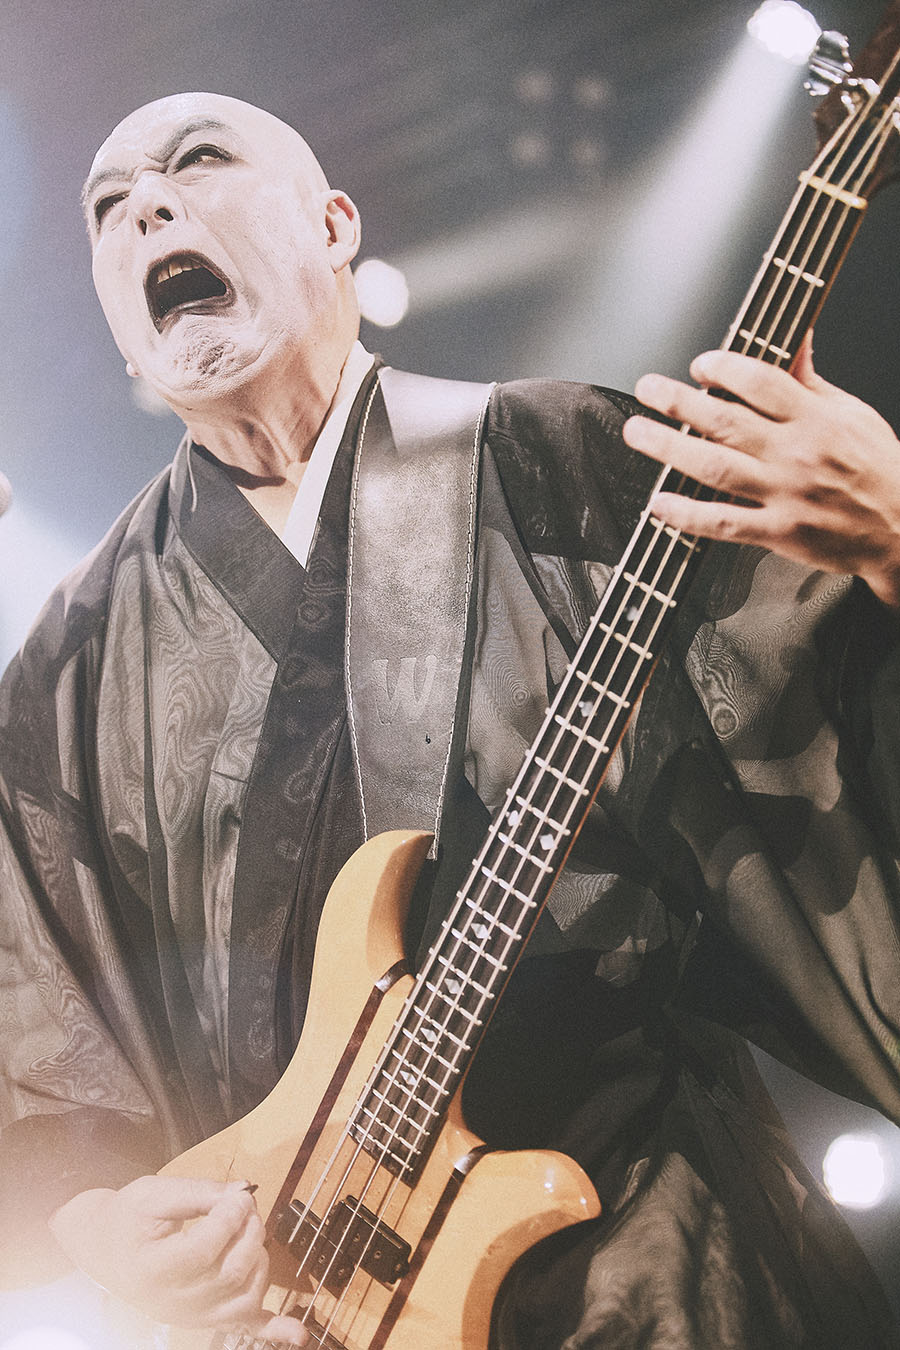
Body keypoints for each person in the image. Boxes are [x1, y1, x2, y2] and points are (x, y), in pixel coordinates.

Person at [1, 89, 900, 1348]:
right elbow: (37, 1038)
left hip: (655, 1270)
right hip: (310, 1312)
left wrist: (894, 534)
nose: (147, 205)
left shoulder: (563, 460)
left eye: (197, 162)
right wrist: (95, 1225)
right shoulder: (67, 665)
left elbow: (823, 750)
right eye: (108, 209)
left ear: (334, 227)